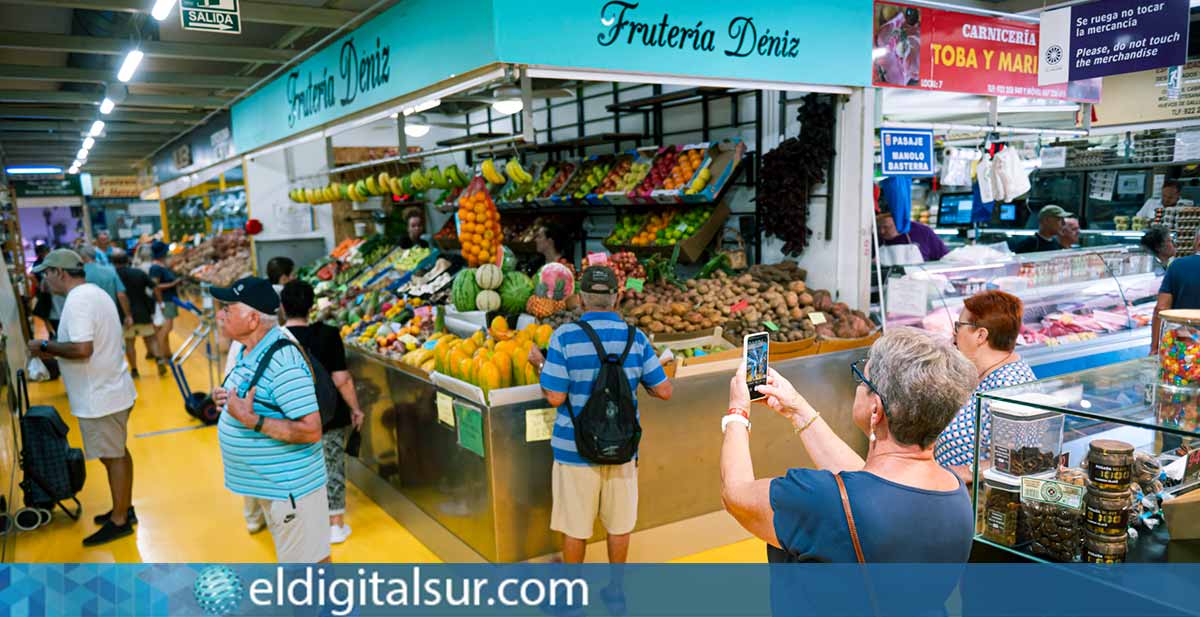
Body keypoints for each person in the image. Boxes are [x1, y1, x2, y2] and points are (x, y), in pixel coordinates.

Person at [720, 327, 976, 563]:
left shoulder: (816, 499)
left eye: (862, 382)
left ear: (875, 410)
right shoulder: (955, 491)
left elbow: (736, 495)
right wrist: (797, 409)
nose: (858, 388)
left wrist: (737, 412)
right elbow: (866, 481)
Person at [530, 266, 672, 600]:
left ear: (580, 298)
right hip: (622, 449)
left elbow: (555, 396)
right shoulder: (635, 338)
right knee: (619, 525)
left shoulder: (564, 337)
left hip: (574, 450)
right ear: (616, 298)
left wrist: (538, 362)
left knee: (575, 527)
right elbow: (664, 390)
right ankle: (617, 592)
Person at [210, 277, 330, 563]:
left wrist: (252, 420)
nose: (220, 315)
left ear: (252, 319)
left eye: (228, 309)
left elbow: (311, 430)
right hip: (270, 486)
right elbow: (256, 399)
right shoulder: (246, 349)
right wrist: (227, 401)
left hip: (291, 490)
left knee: (306, 572)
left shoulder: (283, 361)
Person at [27, 249, 137, 546]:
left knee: (112, 456)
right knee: (115, 453)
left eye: (46, 274)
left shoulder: (78, 302)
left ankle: (120, 520)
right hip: (110, 389)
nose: (44, 280)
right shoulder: (93, 293)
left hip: (100, 395)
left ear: (60, 273)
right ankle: (123, 507)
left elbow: (82, 349)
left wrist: (45, 345)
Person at [280, 280, 365, 544]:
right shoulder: (328, 334)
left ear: (282, 307)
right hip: (328, 416)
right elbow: (342, 379)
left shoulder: (277, 339)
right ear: (312, 306)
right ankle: (335, 525)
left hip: (290, 417)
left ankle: (303, 523)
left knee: (297, 467)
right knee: (332, 466)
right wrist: (355, 409)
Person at [935, 291, 1037, 483]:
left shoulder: (1010, 387)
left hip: (978, 501)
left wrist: (963, 472)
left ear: (981, 335)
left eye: (959, 326)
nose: (954, 333)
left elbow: (1020, 460)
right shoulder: (981, 372)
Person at [112, 249, 158, 378]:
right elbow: (154, 286)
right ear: (128, 260)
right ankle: (158, 359)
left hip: (124, 314)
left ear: (112, 262)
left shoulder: (113, 276)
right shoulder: (138, 273)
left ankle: (134, 370)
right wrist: (159, 304)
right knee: (150, 337)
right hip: (143, 311)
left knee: (130, 342)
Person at [1152, 236, 1200, 354]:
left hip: (1183, 345)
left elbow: (1161, 307)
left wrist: (1155, 348)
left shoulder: (1178, 266)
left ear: (1198, 241)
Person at [79, 245, 133, 331]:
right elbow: (121, 294)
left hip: (88, 319)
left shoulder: (79, 274)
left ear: (81, 257)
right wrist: (128, 315)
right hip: (111, 315)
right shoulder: (110, 270)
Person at [149, 241, 181, 373]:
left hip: (168, 300)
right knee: (166, 329)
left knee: (167, 329)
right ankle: (162, 357)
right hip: (165, 301)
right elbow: (155, 286)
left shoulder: (161, 266)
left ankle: (168, 355)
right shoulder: (156, 268)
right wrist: (174, 283)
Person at [876, 211, 948, 262]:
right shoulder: (872, 237)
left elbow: (945, 259)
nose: (882, 231)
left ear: (899, 221)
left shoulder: (923, 232)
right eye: (878, 227)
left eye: (886, 227)